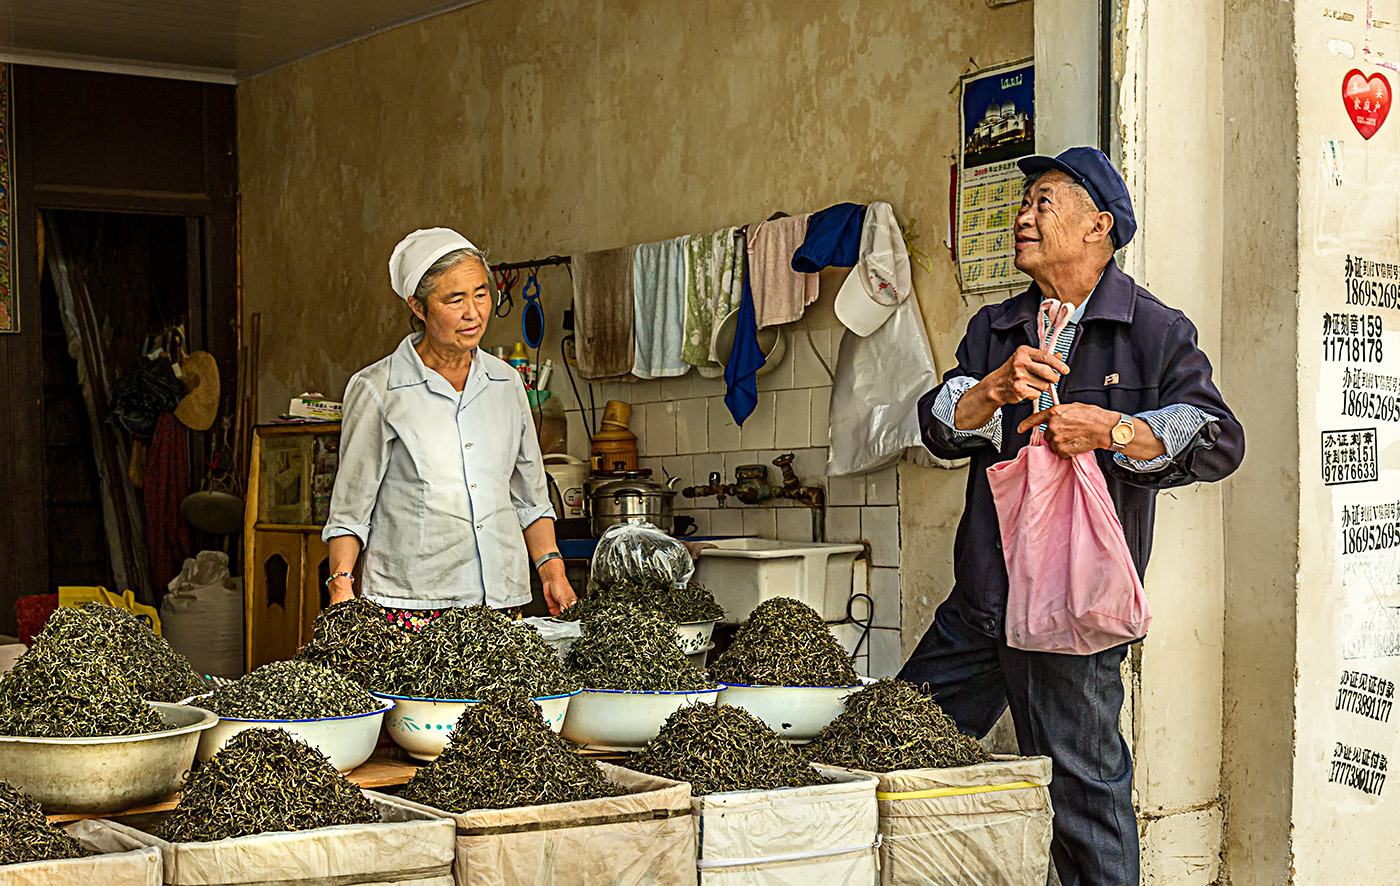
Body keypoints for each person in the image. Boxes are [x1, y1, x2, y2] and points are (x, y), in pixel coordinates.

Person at [901, 147, 1244, 886]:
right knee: (896, 746)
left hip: (1074, 617)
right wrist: (987, 391)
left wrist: (1113, 430)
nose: (1022, 216)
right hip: (982, 605)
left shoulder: (1151, 328)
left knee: (1085, 809)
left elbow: (1216, 436)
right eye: (1023, 204)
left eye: (1043, 202)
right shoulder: (997, 327)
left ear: (1099, 226)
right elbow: (936, 424)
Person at [322, 227, 576, 631]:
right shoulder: (378, 389)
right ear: (419, 307)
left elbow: (530, 496)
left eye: (480, 293)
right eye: (455, 299)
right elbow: (351, 510)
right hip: (410, 604)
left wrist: (551, 571)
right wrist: (341, 591)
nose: (473, 312)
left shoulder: (506, 384)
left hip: (500, 601)